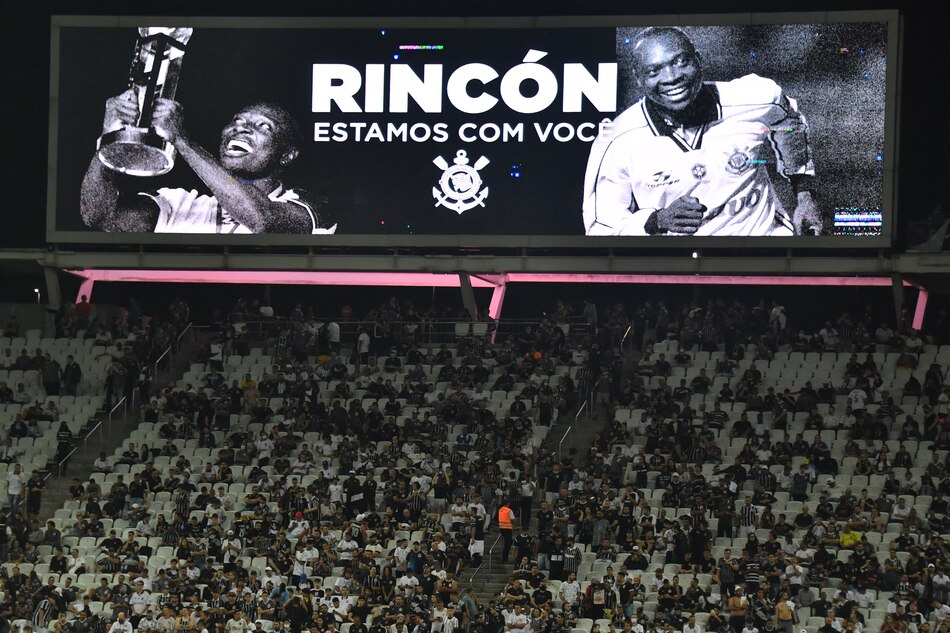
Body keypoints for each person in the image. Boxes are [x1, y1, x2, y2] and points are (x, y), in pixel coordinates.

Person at [582, 26, 820, 236]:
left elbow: (790, 124)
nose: (672, 77)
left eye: (679, 62)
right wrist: (657, 221)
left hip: (762, 249)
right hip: (684, 268)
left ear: (698, 59)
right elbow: (601, 226)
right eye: (654, 71)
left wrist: (804, 193)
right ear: (638, 78)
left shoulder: (757, 97)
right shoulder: (616, 140)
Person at [81, 91, 336, 235]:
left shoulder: (310, 209)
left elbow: (262, 221)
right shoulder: (181, 203)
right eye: (237, 122)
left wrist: (182, 140)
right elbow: (101, 217)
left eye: (262, 126)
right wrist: (109, 138)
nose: (241, 129)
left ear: (287, 155)